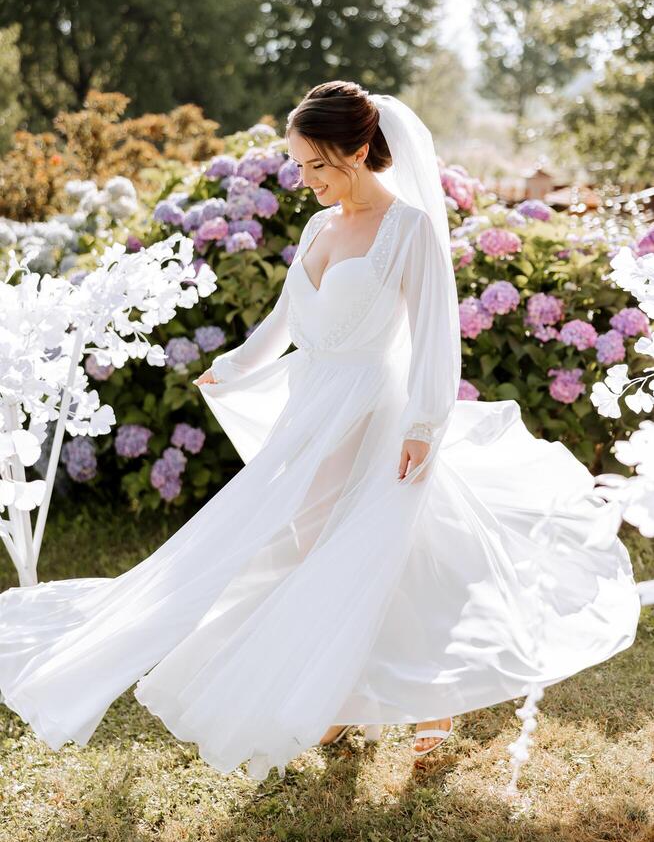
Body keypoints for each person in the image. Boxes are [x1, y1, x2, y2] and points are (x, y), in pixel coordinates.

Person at [0, 81, 642, 783]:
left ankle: (427, 701)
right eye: (298, 167)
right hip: (310, 409)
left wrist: (426, 422)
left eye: (317, 166)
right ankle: (349, 692)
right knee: (317, 555)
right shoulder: (316, 227)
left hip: (376, 409)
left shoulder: (409, 231)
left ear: (361, 152)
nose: (305, 181)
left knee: (375, 554)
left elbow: (436, 336)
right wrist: (236, 363)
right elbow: (285, 318)